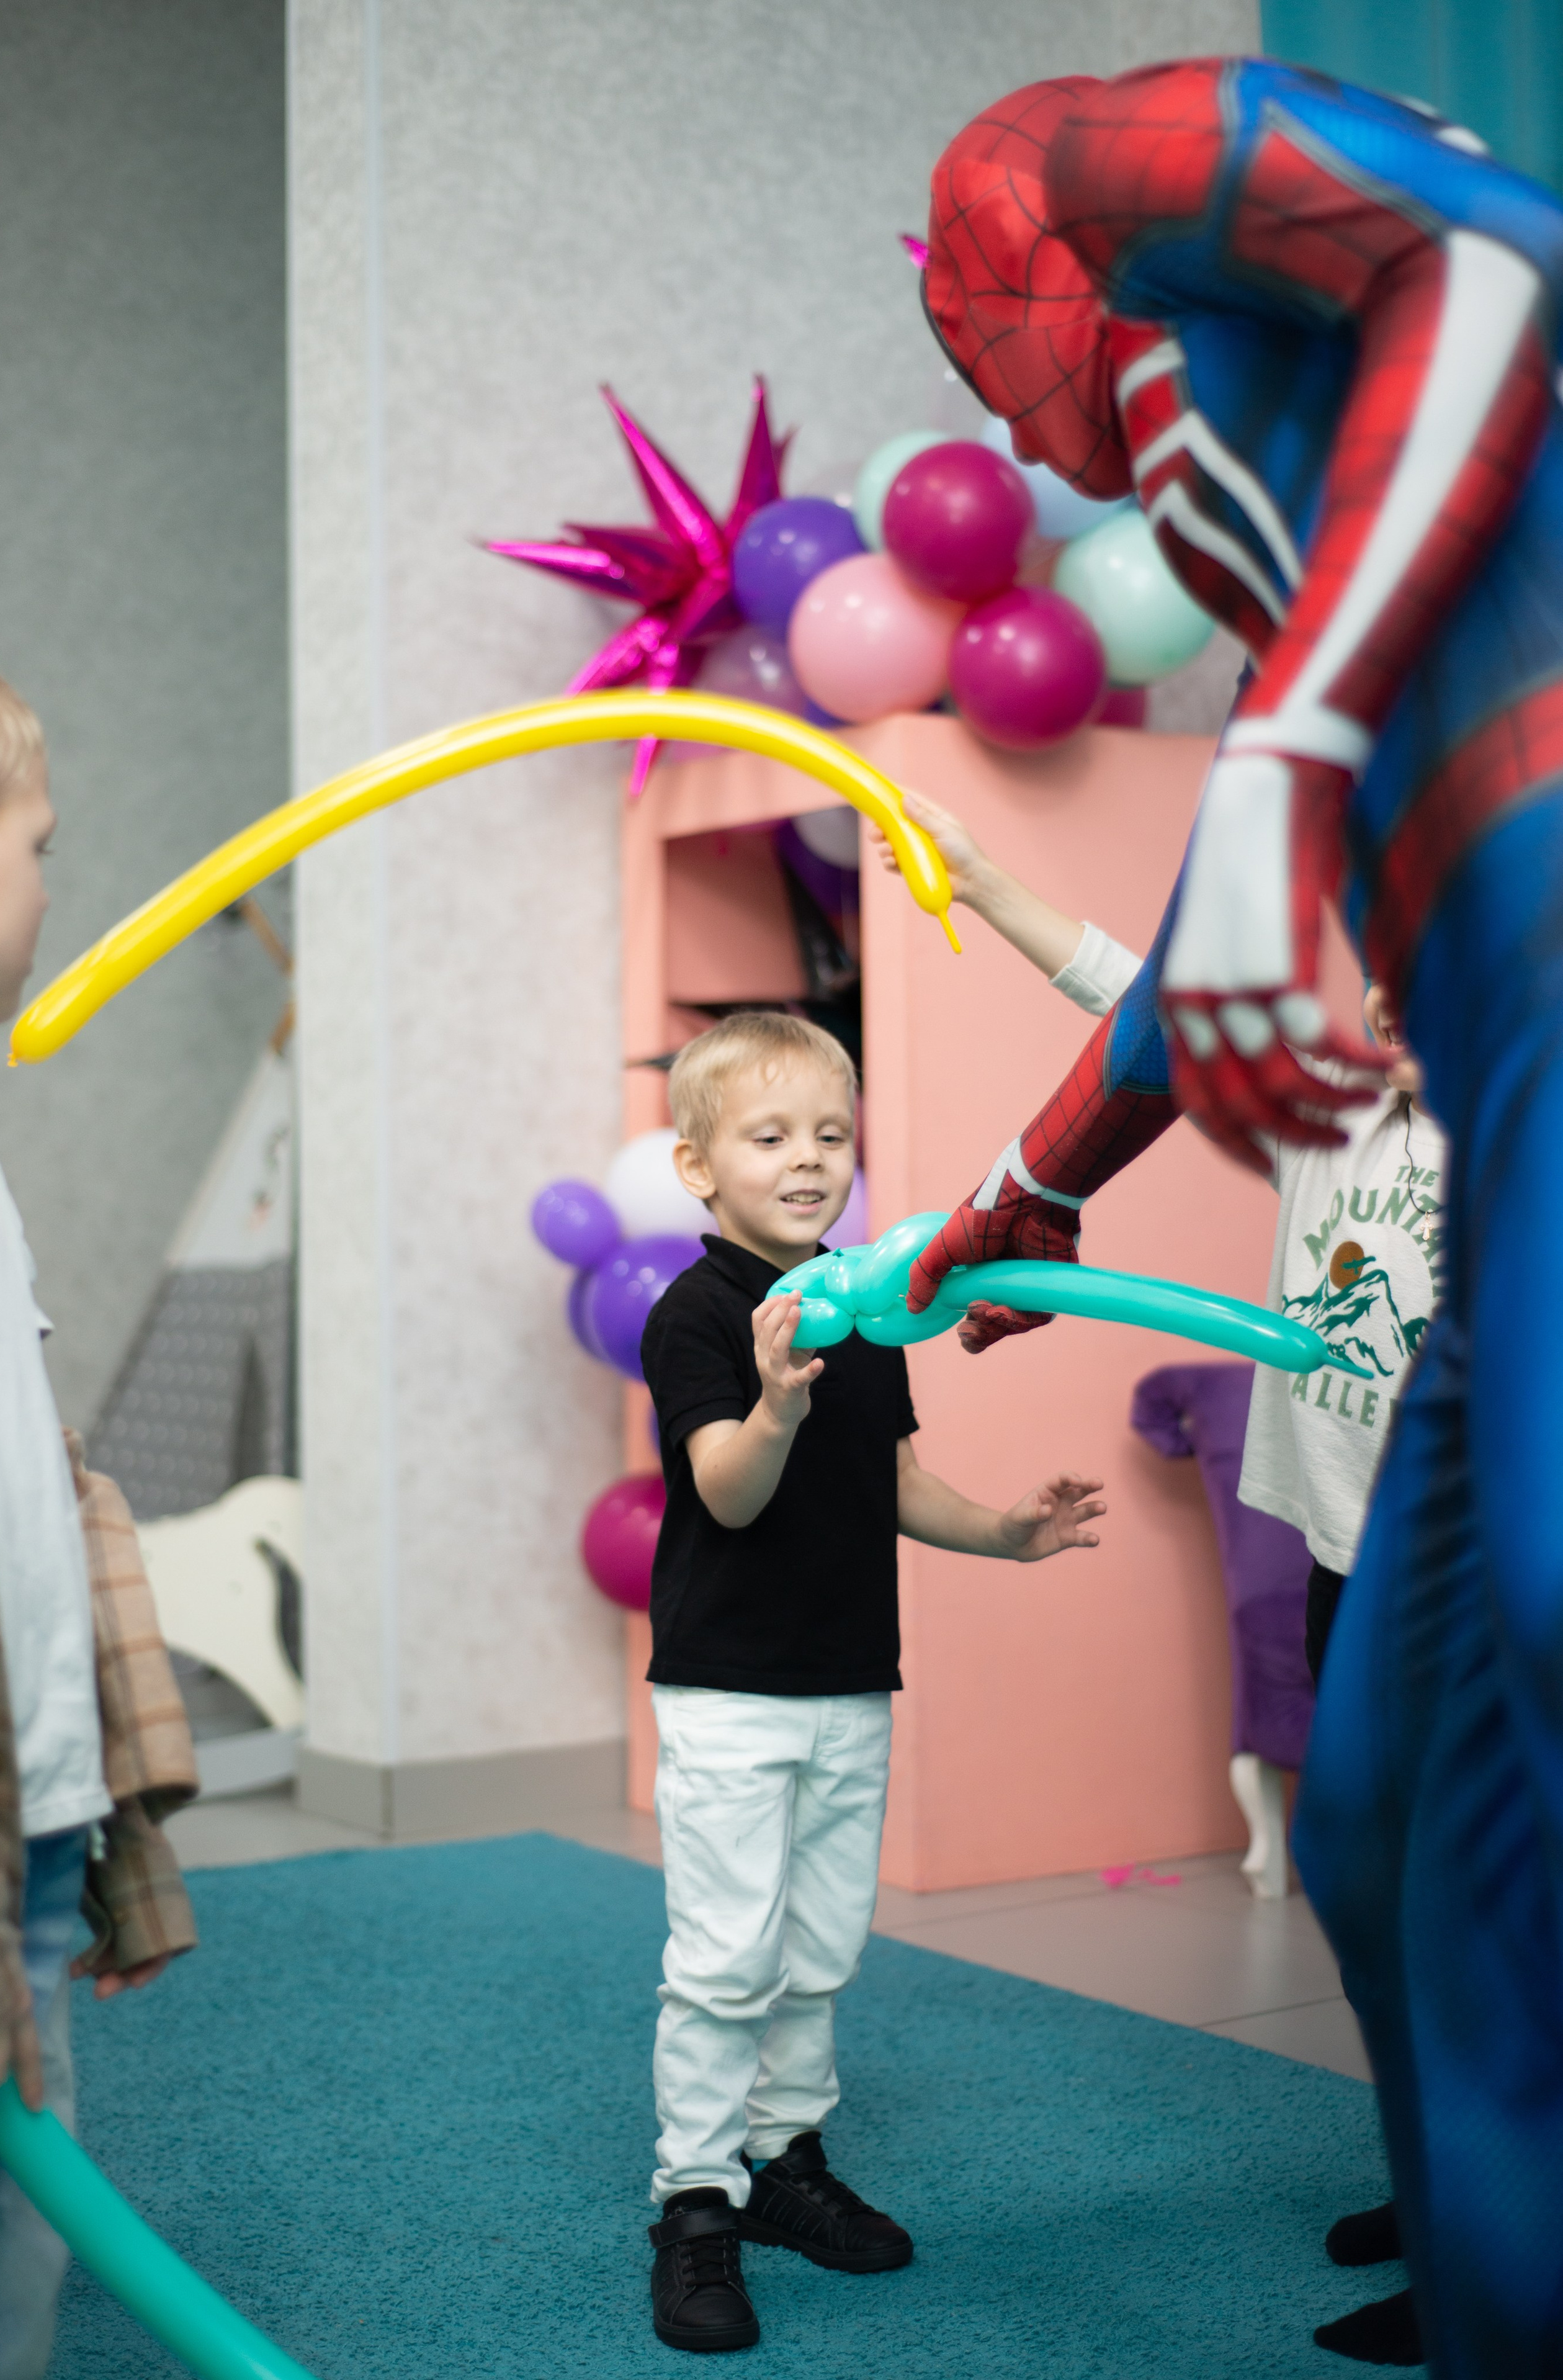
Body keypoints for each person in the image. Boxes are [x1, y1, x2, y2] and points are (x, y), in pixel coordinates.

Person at [908, 60, 1563, 2373]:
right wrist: (992, 1208)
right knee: (1381, 1826)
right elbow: (1189, 965)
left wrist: (1281, 755)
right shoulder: (1304, 574)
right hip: (1499, 1219)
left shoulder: (1090, 166)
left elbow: (1488, 253)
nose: (998, 403)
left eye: (971, 334)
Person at [884, 785, 1443, 2363]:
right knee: (1380, 1901)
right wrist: (986, 885)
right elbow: (1144, 1005)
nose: (1393, 995)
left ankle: (1494, 2237)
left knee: (1465, 1908)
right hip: (1349, 1556)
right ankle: (1431, 2176)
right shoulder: (1327, 1099)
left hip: (1460, 1576)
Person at [638, 1008, 1104, 2354]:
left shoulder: (874, 1299)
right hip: (728, 1689)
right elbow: (725, 1491)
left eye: (830, 1135)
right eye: (769, 1136)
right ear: (696, 1167)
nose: (807, 1160)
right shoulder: (699, 1312)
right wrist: (774, 1398)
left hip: (849, 1682)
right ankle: (694, 2201)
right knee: (724, 1956)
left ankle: (784, 2160)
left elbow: (893, 1482)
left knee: (819, 1946)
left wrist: (1006, 1533)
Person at [0, 659, 199, 2380]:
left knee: (24, 2173)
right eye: (37, 843)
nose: (55, 886)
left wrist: (90, 1789)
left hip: (31, 1791)